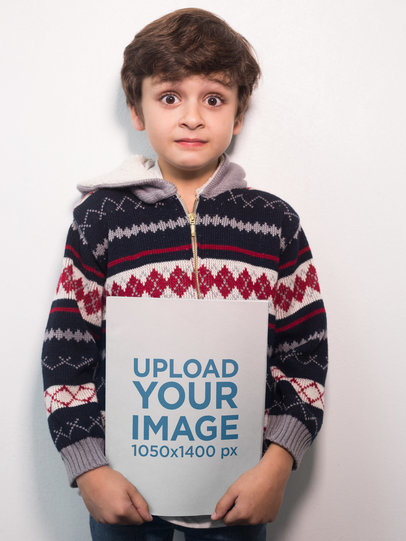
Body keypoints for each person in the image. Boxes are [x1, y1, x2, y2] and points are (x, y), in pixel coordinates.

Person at [42, 8, 328, 541]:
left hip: (237, 493)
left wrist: (277, 463)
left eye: (214, 99)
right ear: (137, 109)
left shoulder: (274, 223)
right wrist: (88, 467)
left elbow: (305, 355)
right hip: (125, 491)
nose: (192, 117)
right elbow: (67, 349)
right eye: (170, 97)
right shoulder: (102, 220)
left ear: (238, 115)